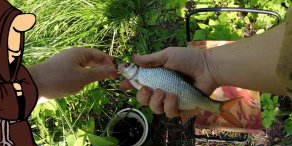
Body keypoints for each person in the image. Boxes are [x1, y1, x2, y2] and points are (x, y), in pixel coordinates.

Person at [120, 7, 292, 119]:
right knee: (166, 100)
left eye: (127, 65)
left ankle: (217, 107)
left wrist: (207, 65)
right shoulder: (140, 76)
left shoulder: (140, 75)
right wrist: (207, 66)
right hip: (190, 89)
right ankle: (216, 107)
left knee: (165, 99)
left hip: (189, 88)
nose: (125, 66)